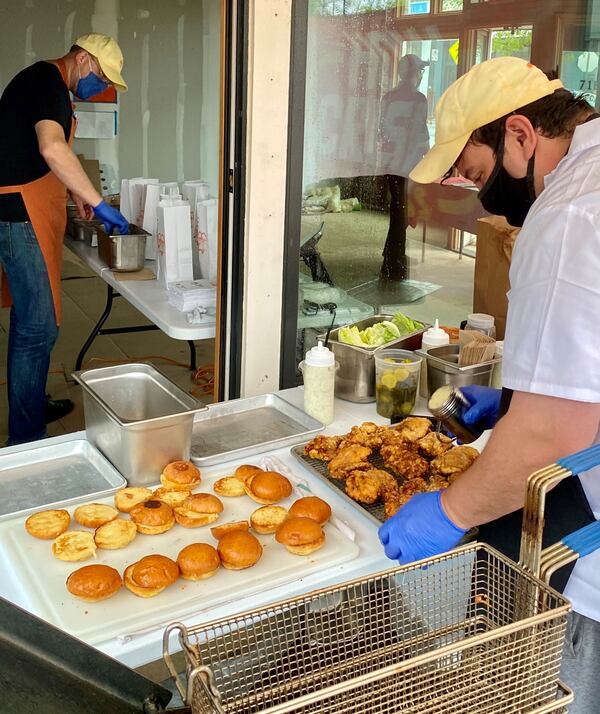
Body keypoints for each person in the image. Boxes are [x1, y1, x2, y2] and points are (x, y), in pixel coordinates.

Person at [378, 57, 600, 711]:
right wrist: (513, 400)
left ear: (523, 134)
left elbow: (552, 435)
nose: (477, 194)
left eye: (477, 174)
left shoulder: (570, 216)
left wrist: (448, 514)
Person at [0, 33, 129, 446]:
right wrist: (100, 203)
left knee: (29, 320)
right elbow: (52, 149)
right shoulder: (46, 84)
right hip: (21, 216)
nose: (102, 89)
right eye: (103, 78)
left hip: (18, 211)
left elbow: (34, 152)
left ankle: (31, 406)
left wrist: (76, 192)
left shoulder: (43, 82)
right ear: (84, 59)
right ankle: (27, 436)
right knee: (37, 329)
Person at [377, 54, 429, 282]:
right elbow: (420, 134)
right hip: (408, 163)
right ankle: (394, 262)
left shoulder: (388, 97)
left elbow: (381, 130)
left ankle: (391, 256)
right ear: (414, 73)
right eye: (419, 71)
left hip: (390, 163)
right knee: (402, 212)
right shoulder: (418, 100)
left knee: (397, 210)